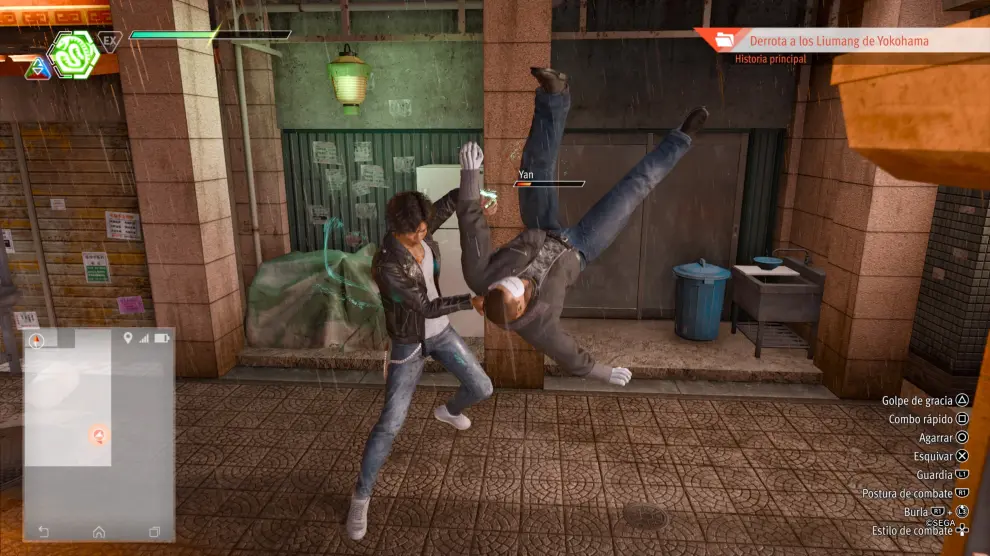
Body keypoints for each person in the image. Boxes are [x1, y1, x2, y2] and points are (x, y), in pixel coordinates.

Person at [456, 67, 708, 387]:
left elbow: (471, 224)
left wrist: (469, 175)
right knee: (633, 189)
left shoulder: (479, 276)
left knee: (534, 168)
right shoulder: (538, 328)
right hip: (581, 246)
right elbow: (568, 356)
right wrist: (602, 372)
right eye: (520, 289)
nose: (519, 280)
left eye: (507, 281)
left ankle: (554, 95)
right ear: (520, 309)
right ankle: (682, 138)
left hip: (540, 225)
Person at [346, 190, 496, 541]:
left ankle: (448, 411)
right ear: (398, 229)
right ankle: (361, 497)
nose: (423, 233)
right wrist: (469, 302)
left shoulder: (421, 226)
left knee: (482, 387)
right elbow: (425, 307)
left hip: (441, 334)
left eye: (425, 227)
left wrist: (478, 197)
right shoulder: (386, 266)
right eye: (416, 231)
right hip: (409, 344)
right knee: (390, 424)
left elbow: (455, 198)